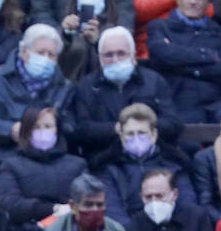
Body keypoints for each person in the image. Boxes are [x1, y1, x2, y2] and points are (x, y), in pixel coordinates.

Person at [0, 23, 72, 163]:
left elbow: (71, 126)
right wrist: (10, 129)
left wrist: (51, 126)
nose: (46, 59)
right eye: (40, 52)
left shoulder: (64, 86)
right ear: (25, 52)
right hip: (2, 159)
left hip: (50, 161)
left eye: (51, 55)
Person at [66, 25, 180, 156]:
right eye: (108, 55)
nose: (115, 60)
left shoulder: (154, 81)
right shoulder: (86, 86)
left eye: (121, 53)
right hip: (103, 161)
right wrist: (118, 129)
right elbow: (81, 129)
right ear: (100, 58)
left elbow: (173, 124)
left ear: (133, 56)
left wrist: (141, 127)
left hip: (152, 158)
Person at [0, 104, 87, 231]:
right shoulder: (11, 165)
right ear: (26, 132)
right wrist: (53, 209)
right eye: (36, 127)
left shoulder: (78, 165)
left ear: (57, 129)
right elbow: (11, 202)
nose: (42, 131)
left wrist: (71, 211)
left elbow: (88, 199)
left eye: (48, 126)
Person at [143, 0, 221, 124]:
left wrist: (179, 62)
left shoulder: (219, 33)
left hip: (214, 104)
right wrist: (206, 55)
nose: (193, 1)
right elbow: (161, 55)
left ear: (208, 2)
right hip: (175, 103)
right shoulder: (160, 27)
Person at [92, 100, 192, 228]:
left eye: (141, 133)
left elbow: (187, 204)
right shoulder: (108, 168)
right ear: (121, 136)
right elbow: (113, 210)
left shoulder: (175, 164)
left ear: (154, 135)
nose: (136, 138)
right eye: (130, 134)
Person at [54, 0, 120, 81]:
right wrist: (65, 36)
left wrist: (97, 43)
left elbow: (115, 66)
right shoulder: (69, 25)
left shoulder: (114, 31)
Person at [31, 0, 135, 34]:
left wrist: (107, 37)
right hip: (64, 48)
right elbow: (40, 12)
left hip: (107, 42)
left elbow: (124, 8)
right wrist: (61, 32)